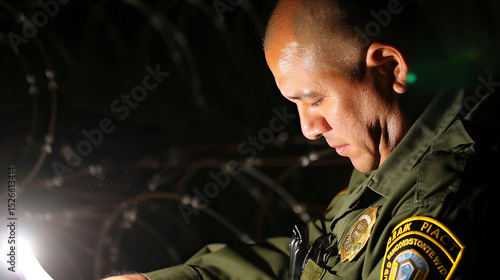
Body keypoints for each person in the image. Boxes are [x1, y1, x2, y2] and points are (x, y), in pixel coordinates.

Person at [104, 0, 499, 279]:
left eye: (314, 99)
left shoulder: (435, 205)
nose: (309, 128)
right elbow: (325, 244)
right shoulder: (395, 147)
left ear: (390, 68)